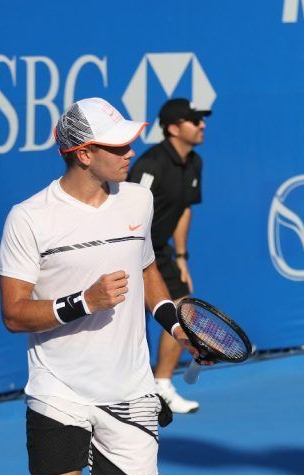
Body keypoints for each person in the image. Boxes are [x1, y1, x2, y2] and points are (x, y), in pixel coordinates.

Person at [0, 97, 205, 475]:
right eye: (117, 146)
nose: (130, 152)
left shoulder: (136, 197)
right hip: (59, 388)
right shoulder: (30, 217)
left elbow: (146, 272)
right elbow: (13, 312)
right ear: (82, 153)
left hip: (129, 390)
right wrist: (79, 303)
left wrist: (175, 323)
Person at [127, 98, 211, 412]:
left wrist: (181, 257)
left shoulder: (194, 163)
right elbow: (127, 207)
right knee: (129, 320)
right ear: (174, 129)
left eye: (202, 120)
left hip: (159, 251)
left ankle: (161, 383)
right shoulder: (150, 165)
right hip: (130, 249)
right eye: (194, 120)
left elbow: (183, 211)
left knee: (182, 310)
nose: (202, 125)